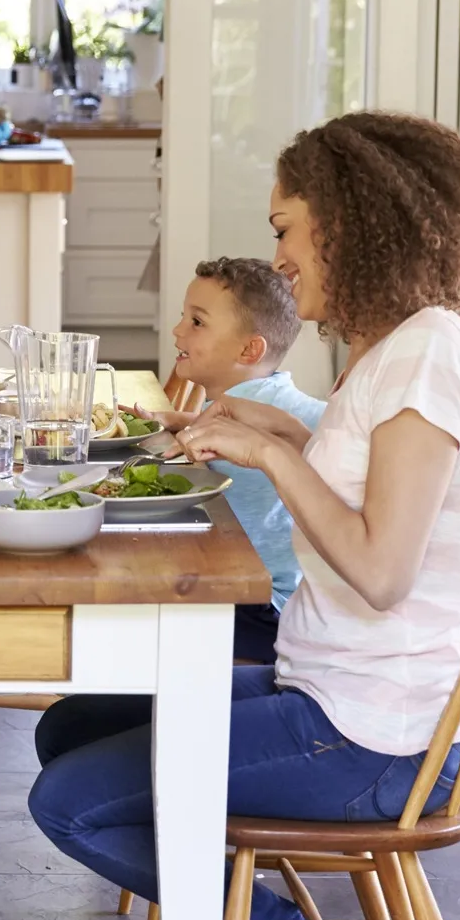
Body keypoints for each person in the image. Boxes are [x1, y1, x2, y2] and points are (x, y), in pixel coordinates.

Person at [27, 111, 460, 920]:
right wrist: (282, 431)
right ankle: (242, 916)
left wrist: (272, 454)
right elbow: (369, 481)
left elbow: (383, 571)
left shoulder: (426, 354)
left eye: (285, 228)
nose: (281, 258)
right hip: (332, 688)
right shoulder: (398, 345)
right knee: (67, 728)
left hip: (375, 737)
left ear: (349, 223)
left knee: (68, 804)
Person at [125, 256, 326, 664]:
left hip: (265, 609)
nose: (178, 329)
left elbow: (319, 425)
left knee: (122, 610)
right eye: (184, 317)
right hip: (262, 597)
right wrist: (182, 420)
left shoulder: (290, 412)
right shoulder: (264, 396)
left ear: (250, 349)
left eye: (197, 322)